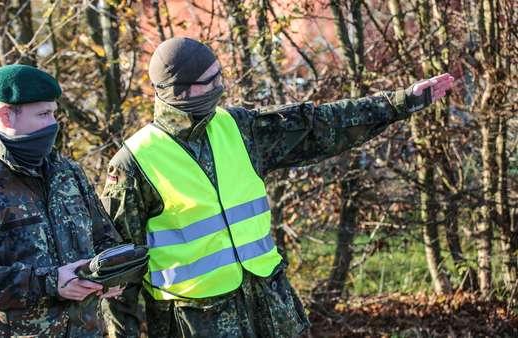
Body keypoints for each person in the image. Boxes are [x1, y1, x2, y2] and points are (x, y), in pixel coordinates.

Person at [101, 37, 454, 337]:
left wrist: (398, 102)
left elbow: (321, 126)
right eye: (211, 81)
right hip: (197, 323)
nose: (221, 86)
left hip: (272, 309)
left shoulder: (237, 127)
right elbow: (120, 276)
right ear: (180, 90)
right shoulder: (133, 164)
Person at [0, 64, 125, 337]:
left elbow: (104, 239)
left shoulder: (68, 172)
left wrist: (109, 274)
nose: (54, 124)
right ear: (6, 116)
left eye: (54, 114)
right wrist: (50, 282)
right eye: (43, 114)